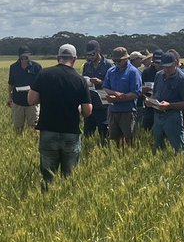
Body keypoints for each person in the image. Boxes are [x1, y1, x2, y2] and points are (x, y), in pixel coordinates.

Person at [28, 44, 92, 189]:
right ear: (74, 59)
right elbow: (87, 111)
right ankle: (66, 197)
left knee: (48, 176)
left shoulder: (44, 74)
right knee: (69, 175)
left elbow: (31, 100)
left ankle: (47, 198)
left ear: (58, 58)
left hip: (48, 130)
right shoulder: (80, 80)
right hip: (71, 132)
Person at [146, 51, 184, 153]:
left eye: (169, 67)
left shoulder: (182, 78)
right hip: (157, 116)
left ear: (175, 63)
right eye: (164, 67)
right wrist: (150, 101)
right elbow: (155, 93)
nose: (166, 70)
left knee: (178, 148)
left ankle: (182, 163)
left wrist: (169, 105)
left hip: (173, 117)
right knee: (158, 146)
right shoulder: (158, 75)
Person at [103, 46, 142, 146]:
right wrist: (114, 93)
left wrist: (119, 98)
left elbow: (135, 93)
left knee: (129, 140)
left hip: (127, 112)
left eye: (119, 61)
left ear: (126, 59)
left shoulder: (133, 72)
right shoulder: (111, 71)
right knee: (115, 140)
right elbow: (105, 87)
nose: (116, 63)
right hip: (113, 111)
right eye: (114, 60)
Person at [80, 40, 113, 144]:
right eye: (88, 55)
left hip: (103, 104)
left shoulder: (109, 65)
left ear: (98, 50)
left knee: (104, 134)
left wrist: (101, 82)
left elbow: (113, 85)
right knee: (87, 134)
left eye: (92, 54)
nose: (90, 57)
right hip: (90, 103)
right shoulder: (87, 65)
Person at [8, 47, 42, 133]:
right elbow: (11, 84)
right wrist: (10, 98)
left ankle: (33, 140)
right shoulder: (13, 67)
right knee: (17, 127)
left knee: (34, 127)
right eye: (23, 56)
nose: (25, 59)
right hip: (18, 102)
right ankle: (18, 140)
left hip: (32, 102)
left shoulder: (36, 67)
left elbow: (41, 84)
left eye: (27, 56)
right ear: (19, 56)